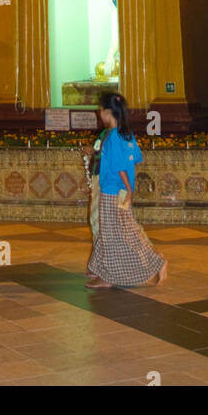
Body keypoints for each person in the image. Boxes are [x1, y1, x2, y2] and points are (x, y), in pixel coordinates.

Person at [83, 91, 167, 290]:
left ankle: (151, 263)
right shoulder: (126, 135)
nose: (99, 114)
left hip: (112, 190)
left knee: (112, 234)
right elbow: (134, 159)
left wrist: (128, 190)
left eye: (101, 110)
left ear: (107, 112)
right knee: (122, 232)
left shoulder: (112, 137)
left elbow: (120, 166)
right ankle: (106, 273)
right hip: (120, 191)